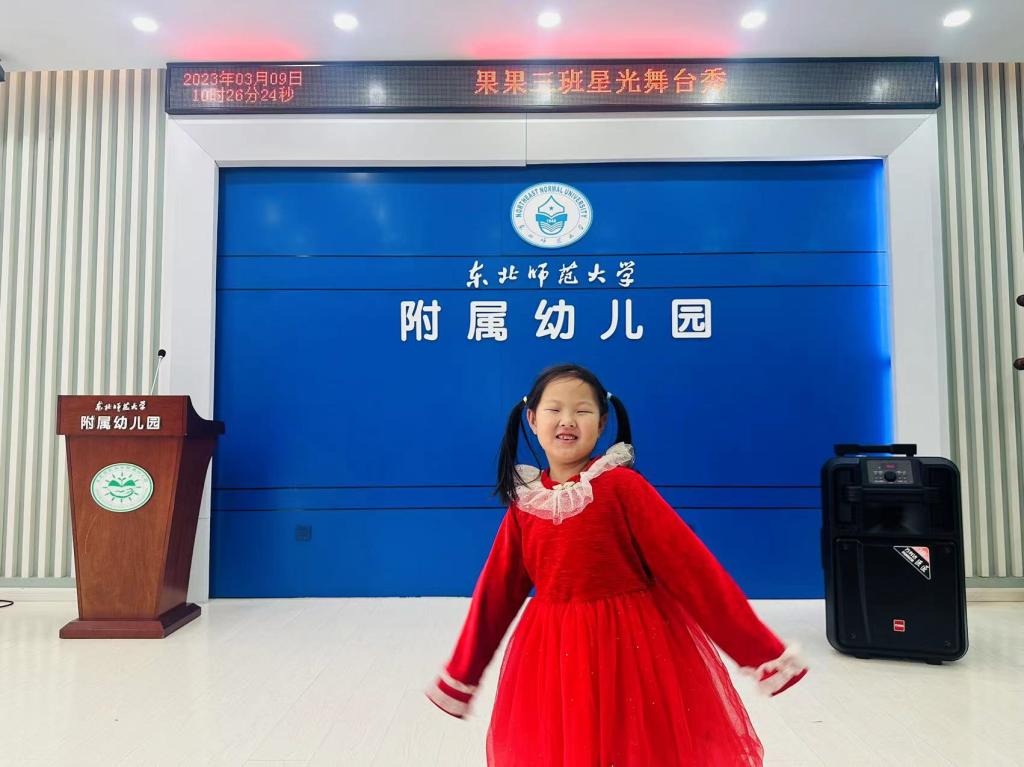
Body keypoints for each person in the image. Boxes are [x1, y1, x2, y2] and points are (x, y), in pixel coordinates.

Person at [427, 363, 807, 766]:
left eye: (582, 410)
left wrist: (761, 652)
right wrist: (462, 675)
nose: (567, 420)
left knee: (636, 746)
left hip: (632, 649)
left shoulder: (622, 487)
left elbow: (691, 568)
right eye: (554, 409)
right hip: (555, 655)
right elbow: (495, 593)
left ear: (602, 423)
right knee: (569, 745)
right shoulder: (527, 504)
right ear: (533, 420)